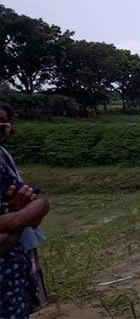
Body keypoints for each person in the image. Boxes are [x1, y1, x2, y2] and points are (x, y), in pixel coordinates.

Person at [0, 104, 50, 318]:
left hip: (14, 266)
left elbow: (39, 206)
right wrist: (22, 218)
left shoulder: (3, 156)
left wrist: (15, 219)